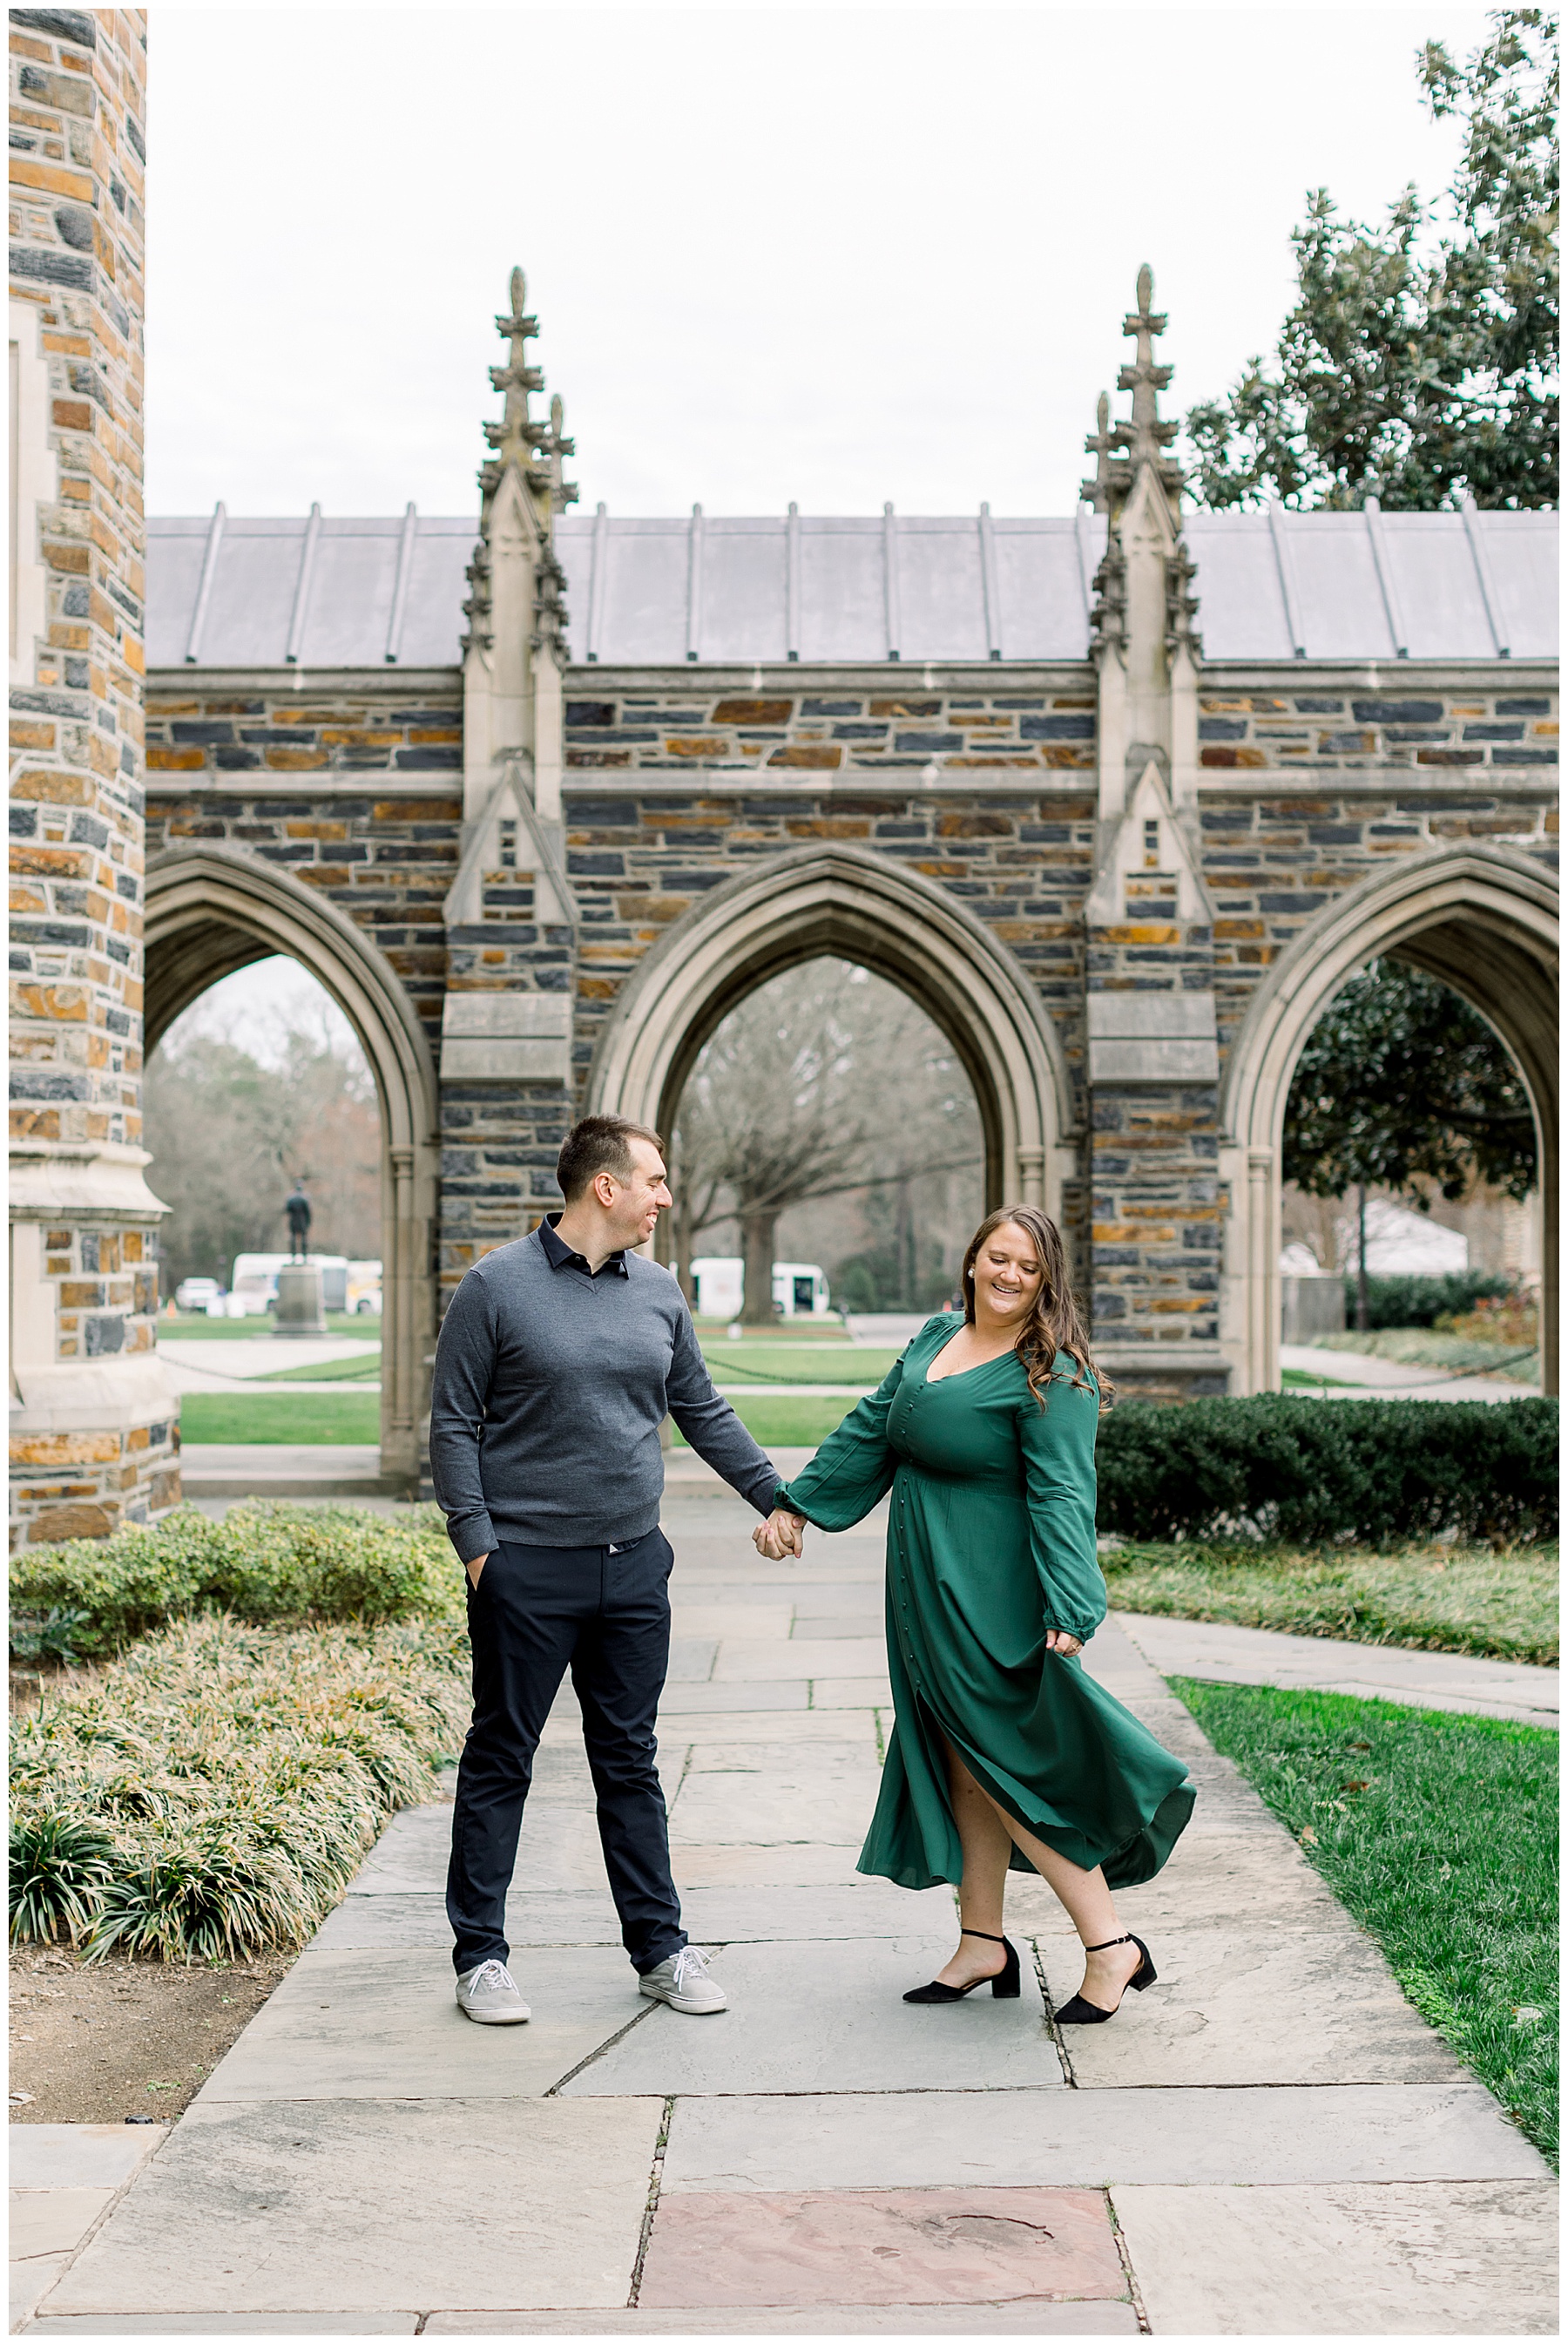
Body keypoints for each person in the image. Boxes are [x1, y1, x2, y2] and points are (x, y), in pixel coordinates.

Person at [754, 1204, 1194, 2022]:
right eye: (998, 1258)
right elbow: (871, 1431)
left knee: (1008, 1765)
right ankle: (981, 1940)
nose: (1009, 1277)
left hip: (993, 1590)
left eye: (1029, 1268)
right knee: (961, 1760)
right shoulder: (934, 1337)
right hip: (926, 1580)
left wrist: (1071, 1599)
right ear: (972, 1260)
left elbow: (1064, 1493)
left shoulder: (1050, 1371)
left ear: (1047, 1280)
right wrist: (797, 1505)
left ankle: (1111, 1946)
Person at [429, 1114, 788, 2026]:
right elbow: (454, 1423)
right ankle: (481, 1957)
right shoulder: (495, 1286)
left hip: (635, 1569)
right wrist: (480, 1548)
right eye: (655, 1181)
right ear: (606, 1186)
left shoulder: (659, 1290)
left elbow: (700, 1406)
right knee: (503, 1754)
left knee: (629, 1759)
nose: (665, 1197)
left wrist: (777, 1495)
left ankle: (660, 1949)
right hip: (525, 1570)